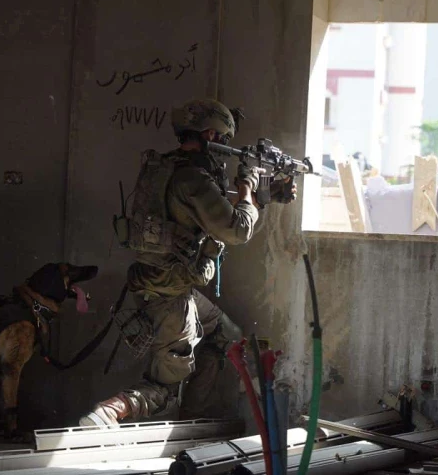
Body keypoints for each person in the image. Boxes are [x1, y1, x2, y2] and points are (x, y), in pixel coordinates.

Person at [78, 98, 297, 426]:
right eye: (223, 141)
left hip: (165, 282)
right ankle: (109, 411)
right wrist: (248, 186)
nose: (224, 150)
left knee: (226, 336)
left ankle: (191, 418)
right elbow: (237, 229)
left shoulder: (171, 168)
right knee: (164, 385)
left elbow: (214, 209)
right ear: (209, 134)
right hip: (171, 295)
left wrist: (264, 195)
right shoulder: (192, 178)